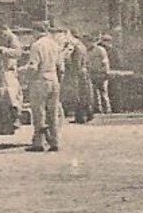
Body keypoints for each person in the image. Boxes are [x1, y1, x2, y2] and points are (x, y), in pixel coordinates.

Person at [24, 21, 64, 152]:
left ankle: (38, 143)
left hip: (40, 80)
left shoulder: (36, 46)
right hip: (54, 79)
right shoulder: (55, 45)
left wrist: (26, 77)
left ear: (35, 31)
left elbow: (33, 66)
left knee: (39, 112)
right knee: (53, 113)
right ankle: (55, 142)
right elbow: (61, 67)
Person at [60, 30, 93, 124]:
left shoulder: (76, 47)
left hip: (78, 73)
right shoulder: (82, 46)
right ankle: (88, 114)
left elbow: (74, 61)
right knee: (85, 95)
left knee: (78, 95)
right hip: (83, 72)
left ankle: (81, 117)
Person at [89, 35, 113, 115]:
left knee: (103, 92)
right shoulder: (88, 51)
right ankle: (98, 109)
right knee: (95, 92)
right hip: (92, 73)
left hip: (101, 73)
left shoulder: (100, 50)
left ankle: (107, 109)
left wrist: (106, 72)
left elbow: (105, 62)